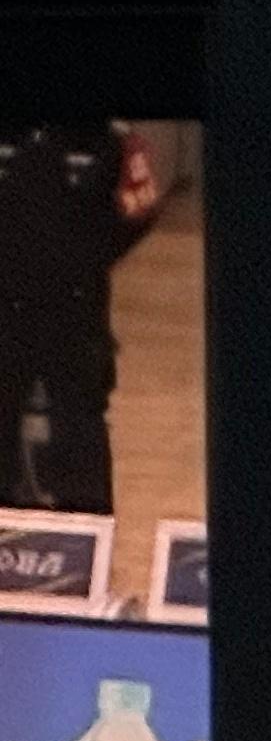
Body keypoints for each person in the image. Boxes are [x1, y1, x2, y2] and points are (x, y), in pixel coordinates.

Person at [0, 121, 157, 515]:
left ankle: (89, 530)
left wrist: (82, 261)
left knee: (79, 425)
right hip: (5, 308)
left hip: (76, 313)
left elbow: (139, 210)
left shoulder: (109, 139)